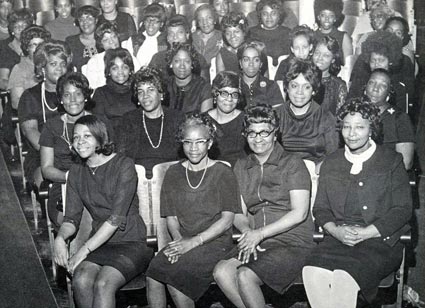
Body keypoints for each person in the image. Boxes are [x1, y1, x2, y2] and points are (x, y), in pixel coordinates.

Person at [302, 98, 412, 308]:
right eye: (346, 126)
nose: (352, 134)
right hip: (337, 239)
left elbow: (403, 209)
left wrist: (366, 232)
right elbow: (321, 208)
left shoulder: (391, 160)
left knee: (345, 278)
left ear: (372, 129)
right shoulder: (332, 162)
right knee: (311, 271)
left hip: (379, 241)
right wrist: (335, 231)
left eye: (360, 127)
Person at [213, 104, 314, 308]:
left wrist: (259, 234)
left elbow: (300, 212)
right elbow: (237, 213)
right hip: (257, 239)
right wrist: (249, 232)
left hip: (292, 242)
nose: (258, 138)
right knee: (221, 272)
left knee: (245, 276)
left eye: (264, 132)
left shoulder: (292, 163)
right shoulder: (241, 166)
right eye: (252, 132)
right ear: (245, 134)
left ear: (275, 133)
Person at [54, 114, 154, 308]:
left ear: (100, 138)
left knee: (103, 283)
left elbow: (115, 219)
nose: (80, 142)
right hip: (101, 243)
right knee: (81, 280)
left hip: (132, 242)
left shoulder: (123, 165)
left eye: (87, 136)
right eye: (75, 137)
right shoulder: (76, 171)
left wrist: (83, 251)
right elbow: (71, 219)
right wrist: (60, 238)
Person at [146, 112, 241, 308]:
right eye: (188, 142)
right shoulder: (173, 173)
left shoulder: (223, 172)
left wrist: (192, 243)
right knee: (153, 272)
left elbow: (227, 220)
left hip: (215, 242)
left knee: (175, 275)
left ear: (210, 142)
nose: (193, 148)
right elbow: (171, 216)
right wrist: (179, 241)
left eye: (199, 142)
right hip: (183, 239)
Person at [40, 72, 93, 227]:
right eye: (67, 95)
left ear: (85, 97)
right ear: (61, 99)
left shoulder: (99, 122)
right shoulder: (51, 126)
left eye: (78, 94)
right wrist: (70, 177)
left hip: (96, 184)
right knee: (69, 221)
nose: (73, 100)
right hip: (63, 184)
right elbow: (46, 169)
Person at [17, 40, 72, 188]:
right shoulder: (30, 96)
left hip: (74, 149)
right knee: (50, 185)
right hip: (41, 153)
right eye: (53, 64)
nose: (59, 69)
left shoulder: (74, 94)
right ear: (42, 68)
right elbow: (31, 131)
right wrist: (58, 151)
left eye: (63, 64)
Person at [276, 58, 338, 181]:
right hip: (282, 175)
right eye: (294, 86)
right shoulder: (276, 115)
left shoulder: (326, 118)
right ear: (286, 87)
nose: (299, 92)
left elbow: (333, 156)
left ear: (314, 90)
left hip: (315, 177)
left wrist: (320, 167)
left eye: (306, 87)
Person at [117, 66, 183, 178]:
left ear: (161, 94)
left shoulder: (177, 118)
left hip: (171, 179)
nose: (145, 96)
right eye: (140, 92)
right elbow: (121, 160)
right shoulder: (128, 120)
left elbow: (184, 160)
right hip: (136, 180)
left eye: (151, 90)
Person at [349, 30, 414, 113]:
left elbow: (401, 115)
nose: (376, 64)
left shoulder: (398, 87)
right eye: (373, 60)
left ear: (390, 61)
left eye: (381, 60)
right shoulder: (360, 82)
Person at [364, 69, 415, 170]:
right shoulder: (355, 114)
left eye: (382, 85)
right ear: (365, 88)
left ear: (389, 94)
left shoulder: (399, 118)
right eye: (372, 82)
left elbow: (405, 163)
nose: (375, 89)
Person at [149, 14, 210, 82]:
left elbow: (205, 86)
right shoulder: (158, 59)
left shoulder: (198, 59)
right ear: (167, 38)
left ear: (187, 35)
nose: (175, 37)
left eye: (180, 32)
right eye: (171, 33)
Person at [92, 48, 137, 131]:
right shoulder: (101, 93)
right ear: (108, 72)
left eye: (125, 67)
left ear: (130, 70)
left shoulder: (137, 91)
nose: (120, 72)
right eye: (115, 68)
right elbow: (98, 126)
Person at [207, 71, 246, 166]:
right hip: (211, 173)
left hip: (239, 172)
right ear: (215, 93)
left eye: (234, 94)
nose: (229, 99)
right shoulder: (203, 120)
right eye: (224, 93)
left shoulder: (245, 120)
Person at [84, 21, 140, 89]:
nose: (111, 41)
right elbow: (92, 89)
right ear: (101, 44)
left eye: (114, 37)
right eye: (106, 40)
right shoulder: (94, 62)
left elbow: (139, 81)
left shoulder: (128, 56)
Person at [8, 25, 51, 109]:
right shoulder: (20, 68)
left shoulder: (51, 64)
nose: (38, 48)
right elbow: (16, 103)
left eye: (41, 44)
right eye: (34, 45)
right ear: (27, 47)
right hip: (32, 112)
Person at [166, 43, 213, 113]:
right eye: (177, 61)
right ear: (171, 64)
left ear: (192, 64)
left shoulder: (204, 88)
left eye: (187, 61)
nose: (182, 66)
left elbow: (206, 120)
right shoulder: (165, 85)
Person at [238, 41, 284, 108]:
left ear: (261, 64)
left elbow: (279, 114)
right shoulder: (234, 86)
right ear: (240, 63)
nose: (251, 64)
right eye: (246, 59)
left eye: (256, 60)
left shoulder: (271, 86)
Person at [247, 0, 291, 67]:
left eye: (273, 14)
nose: (269, 17)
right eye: (265, 14)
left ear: (279, 15)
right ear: (260, 15)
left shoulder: (287, 33)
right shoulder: (252, 32)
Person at [312, 35, 347, 115]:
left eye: (326, 55)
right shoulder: (303, 79)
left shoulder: (339, 86)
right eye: (317, 53)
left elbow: (339, 118)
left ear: (333, 60)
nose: (320, 58)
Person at [0, 8, 33, 90]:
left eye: (23, 26)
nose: (20, 29)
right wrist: (20, 87)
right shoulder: (5, 47)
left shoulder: (35, 45)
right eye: (16, 26)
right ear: (12, 30)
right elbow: (2, 81)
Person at [65, 5, 99, 72]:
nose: (85, 22)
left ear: (96, 20)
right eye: (81, 19)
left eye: (89, 18)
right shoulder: (71, 42)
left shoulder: (104, 40)